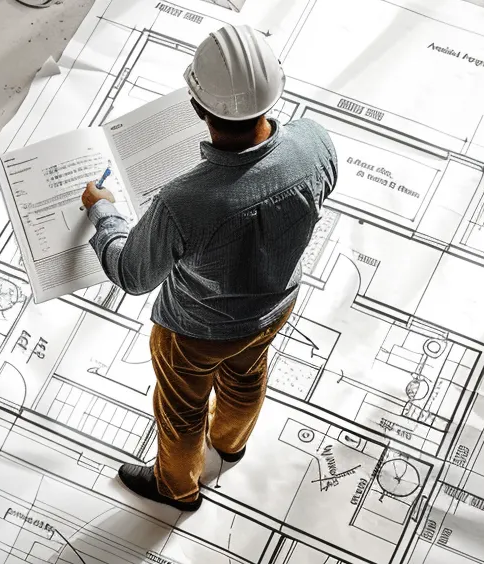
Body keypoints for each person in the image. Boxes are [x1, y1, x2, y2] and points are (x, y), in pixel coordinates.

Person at [81, 25, 338, 512]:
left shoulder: (183, 201)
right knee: (246, 376)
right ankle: (230, 445)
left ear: (198, 108)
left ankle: (176, 489)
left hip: (194, 333)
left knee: (182, 412)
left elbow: (133, 275)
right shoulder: (315, 143)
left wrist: (103, 212)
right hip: (274, 308)